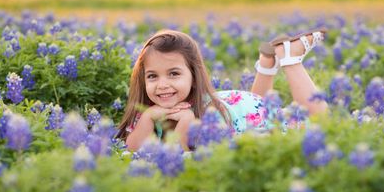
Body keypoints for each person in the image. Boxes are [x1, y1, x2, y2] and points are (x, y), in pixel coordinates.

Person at [116, 29, 328, 151]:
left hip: (235, 110)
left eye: (174, 74)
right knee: (258, 103)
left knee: (321, 122)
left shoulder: (209, 115)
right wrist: (148, 118)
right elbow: (131, 149)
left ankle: (290, 58)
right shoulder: (149, 110)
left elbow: (180, 156)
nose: (162, 84)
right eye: (153, 76)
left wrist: (187, 121)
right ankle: (267, 62)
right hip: (242, 107)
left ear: (194, 76)